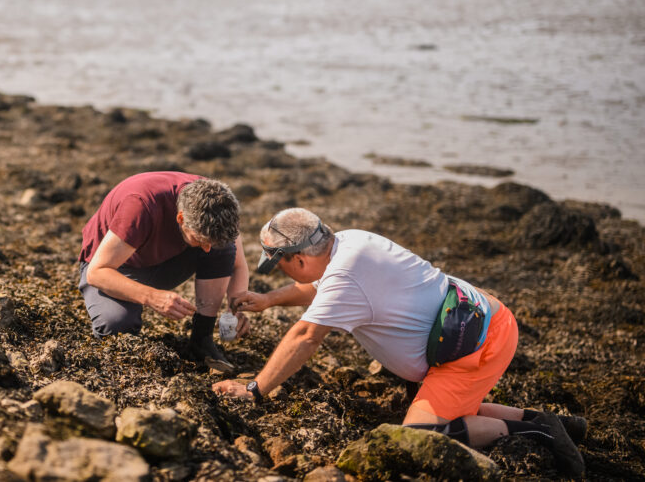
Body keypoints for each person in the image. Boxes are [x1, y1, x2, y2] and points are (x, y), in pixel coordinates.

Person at [212, 208, 586, 476]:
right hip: (478, 318)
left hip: (474, 347)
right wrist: (268, 299)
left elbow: (305, 336)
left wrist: (254, 389)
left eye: (278, 263)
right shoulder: (349, 242)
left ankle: (540, 433)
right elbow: (318, 286)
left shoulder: (344, 277)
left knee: (423, 435)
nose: (278, 269)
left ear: (296, 257)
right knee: (452, 410)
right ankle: (555, 422)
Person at [78, 171, 250, 372]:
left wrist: (236, 309)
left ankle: (201, 339)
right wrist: (152, 297)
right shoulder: (141, 205)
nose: (206, 250)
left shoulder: (220, 204)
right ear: (180, 218)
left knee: (223, 248)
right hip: (118, 267)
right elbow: (97, 272)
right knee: (115, 326)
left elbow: (238, 265)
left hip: (169, 260)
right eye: (199, 240)